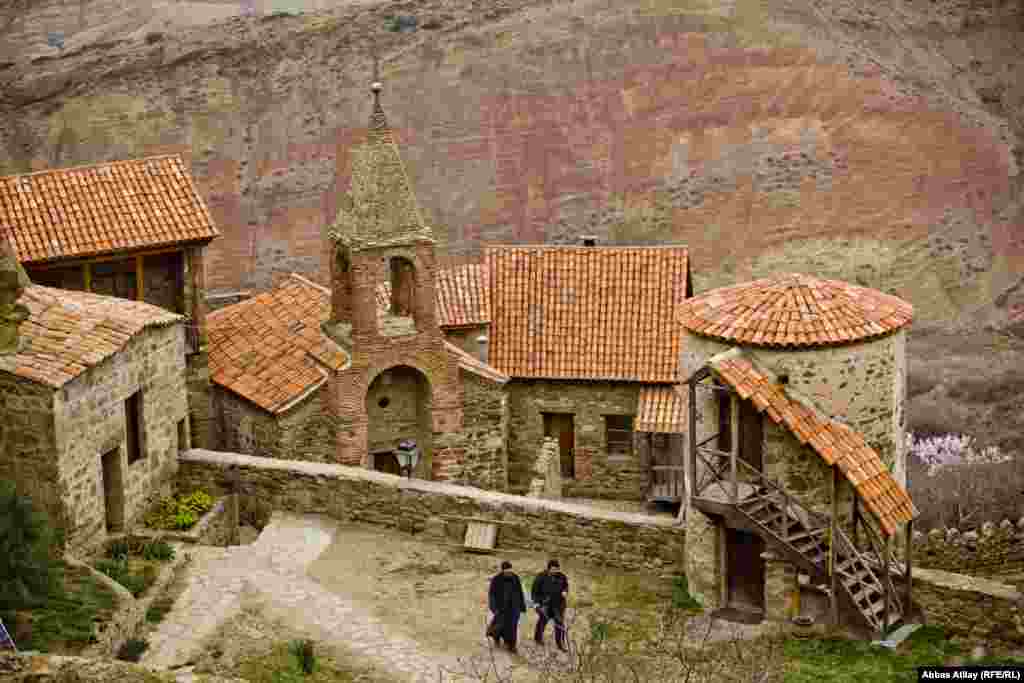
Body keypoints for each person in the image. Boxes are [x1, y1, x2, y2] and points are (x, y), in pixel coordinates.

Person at [487, 560, 527, 653]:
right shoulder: (496, 579)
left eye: (510, 570)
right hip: (501, 607)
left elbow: (520, 592)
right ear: (502, 570)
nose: (509, 572)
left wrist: (522, 605)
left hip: (514, 607)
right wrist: (494, 608)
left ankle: (512, 645)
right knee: (500, 625)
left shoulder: (515, 577)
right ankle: (496, 637)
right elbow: (491, 595)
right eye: (507, 570)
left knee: (513, 626)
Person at [532, 559, 569, 651]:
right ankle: (538, 638)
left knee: (559, 623)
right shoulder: (541, 576)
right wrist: (536, 603)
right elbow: (534, 591)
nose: (555, 571)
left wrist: (565, 591)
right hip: (545, 604)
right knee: (543, 621)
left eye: (557, 569)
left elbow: (566, 586)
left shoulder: (562, 576)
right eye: (553, 569)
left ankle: (560, 643)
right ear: (548, 569)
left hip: (558, 604)